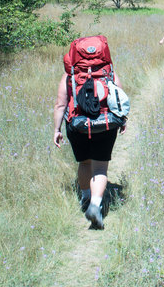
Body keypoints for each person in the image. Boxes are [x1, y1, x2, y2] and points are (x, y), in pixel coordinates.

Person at [53, 54, 126, 230]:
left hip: (77, 125)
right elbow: (119, 99)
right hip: (105, 124)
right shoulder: (109, 73)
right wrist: (123, 120)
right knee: (100, 167)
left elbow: (60, 105)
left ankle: (86, 197)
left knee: (84, 163)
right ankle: (95, 205)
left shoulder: (69, 75)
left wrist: (57, 130)